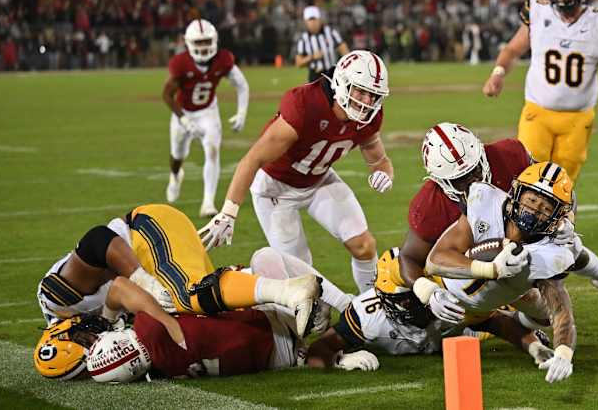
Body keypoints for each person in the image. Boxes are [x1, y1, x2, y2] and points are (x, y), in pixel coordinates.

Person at [398, 123, 598, 326]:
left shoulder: (509, 155)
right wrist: (427, 292)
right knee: (539, 313)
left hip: (526, 238)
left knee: (567, 250)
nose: (474, 179)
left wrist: (567, 220)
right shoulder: (429, 205)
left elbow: (560, 189)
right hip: (474, 264)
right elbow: (409, 259)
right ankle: (506, 322)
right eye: (461, 178)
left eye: (476, 169)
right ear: (439, 181)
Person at [199, 50, 393, 293]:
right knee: (301, 275)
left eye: (373, 95)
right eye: (360, 91)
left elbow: (379, 159)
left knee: (364, 245)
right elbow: (253, 159)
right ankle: (226, 282)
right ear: (342, 83)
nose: (366, 101)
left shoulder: (369, 117)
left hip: (319, 180)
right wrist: (228, 212)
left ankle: (372, 306)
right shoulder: (306, 105)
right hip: (276, 189)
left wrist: (384, 174)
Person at [36, 204, 320, 337]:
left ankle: (289, 292)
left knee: (185, 295)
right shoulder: (84, 329)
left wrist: (143, 282)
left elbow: (97, 240)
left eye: (82, 340)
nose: (89, 342)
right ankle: (324, 318)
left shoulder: (58, 300)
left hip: (145, 232)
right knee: (209, 314)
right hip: (156, 254)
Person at [34, 276, 375, 382]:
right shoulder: (149, 325)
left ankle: (334, 335)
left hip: (281, 356)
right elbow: (122, 285)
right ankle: (350, 306)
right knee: (261, 263)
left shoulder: (163, 371)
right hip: (272, 323)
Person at [423, 162, 582, 383]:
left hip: (482, 307)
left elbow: (561, 312)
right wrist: (490, 269)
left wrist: (564, 353)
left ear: (557, 217)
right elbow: (434, 260)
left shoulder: (550, 250)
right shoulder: (485, 206)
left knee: (544, 312)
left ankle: (496, 319)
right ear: (517, 191)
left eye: (546, 208)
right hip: (440, 288)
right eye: (532, 200)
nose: (535, 210)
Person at [482, 0, 598, 183]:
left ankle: (563, 220)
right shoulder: (538, 13)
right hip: (538, 113)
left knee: (562, 185)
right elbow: (512, 49)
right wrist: (498, 73)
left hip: (577, 119)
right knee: (528, 176)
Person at [306, 247, 555, 373]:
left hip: (451, 334)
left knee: (525, 317)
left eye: (413, 298)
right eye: (404, 301)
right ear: (385, 300)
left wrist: (533, 346)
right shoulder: (367, 315)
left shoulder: (439, 297)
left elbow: (498, 323)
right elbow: (317, 352)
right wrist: (340, 360)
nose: (411, 306)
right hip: (443, 337)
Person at [163, 18, 250, 218]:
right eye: (199, 42)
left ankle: (208, 202)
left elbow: (242, 84)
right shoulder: (181, 63)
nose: (203, 47)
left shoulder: (223, 59)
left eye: (206, 41)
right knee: (177, 155)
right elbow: (166, 95)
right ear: (189, 43)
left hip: (208, 111)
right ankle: (176, 176)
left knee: (212, 151)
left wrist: (242, 113)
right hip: (183, 112)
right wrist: (183, 119)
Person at [295, 6, 349, 82]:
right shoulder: (303, 39)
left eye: (314, 19)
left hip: (332, 72)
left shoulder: (331, 32)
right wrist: (312, 57)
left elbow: (344, 51)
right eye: (310, 20)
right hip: (315, 75)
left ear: (319, 19)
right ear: (305, 22)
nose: (313, 23)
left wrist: (345, 67)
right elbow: (298, 63)